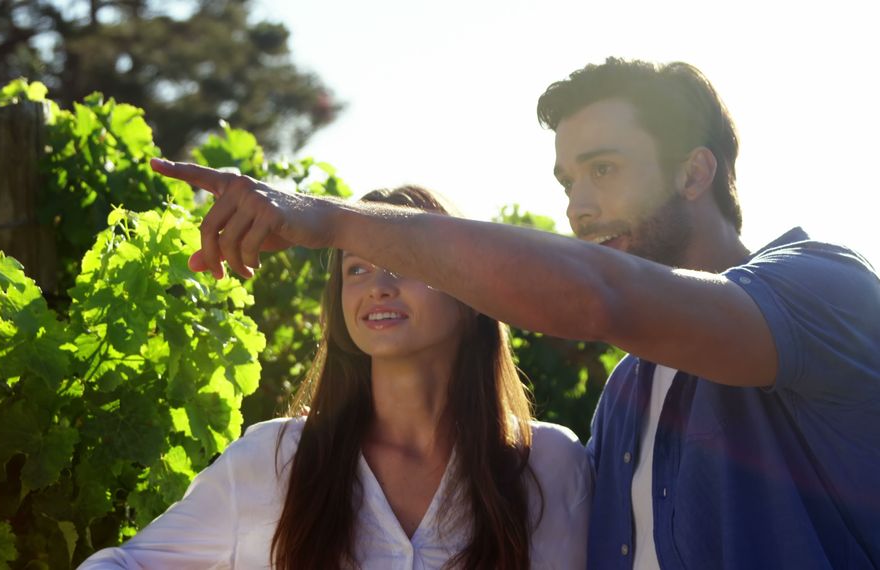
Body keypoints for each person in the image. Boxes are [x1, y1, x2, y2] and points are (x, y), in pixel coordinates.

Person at [149, 57, 880, 569]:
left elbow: (600, 296)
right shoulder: (627, 392)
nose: (578, 204)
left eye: (604, 169)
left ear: (695, 171)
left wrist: (331, 221)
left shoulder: (823, 289)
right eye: (567, 179)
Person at [79, 186, 592, 569]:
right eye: (358, 270)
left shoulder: (549, 463)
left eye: (403, 263)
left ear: (473, 298)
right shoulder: (275, 459)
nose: (378, 287)